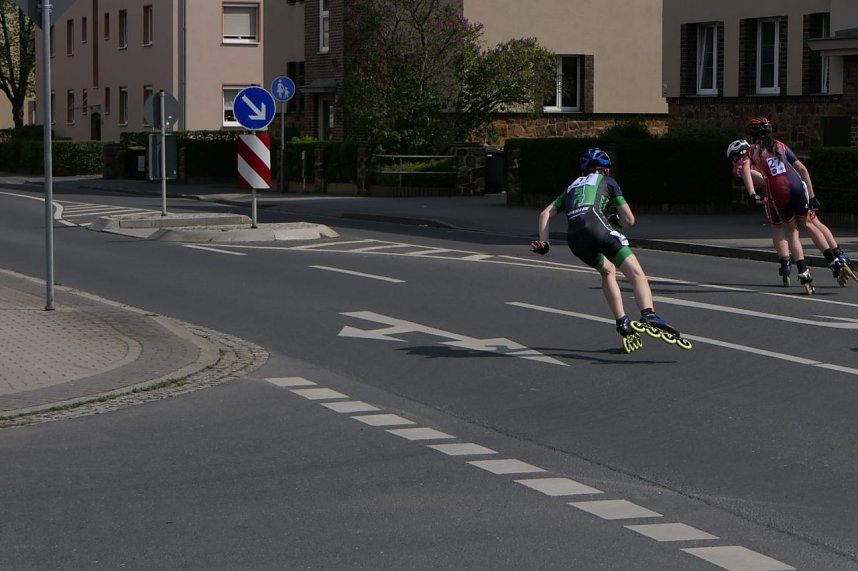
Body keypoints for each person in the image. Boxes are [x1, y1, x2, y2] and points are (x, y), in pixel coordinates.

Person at [530, 148, 689, 352]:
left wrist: (544, 243)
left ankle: (622, 321)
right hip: (598, 230)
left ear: (584, 171)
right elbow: (629, 219)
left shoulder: (570, 188)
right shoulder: (608, 181)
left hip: (575, 241)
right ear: (605, 170)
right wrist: (616, 221)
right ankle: (648, 314)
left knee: (608, 271)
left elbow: (544, 214)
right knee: (636, 274)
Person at [742, 117, 855, 288]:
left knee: (792, 231)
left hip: (779, 191)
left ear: (752, 135)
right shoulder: (780, 145)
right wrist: (812, 196)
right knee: (809, 223)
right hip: (796, 185)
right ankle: (833, 260)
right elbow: (802, 169)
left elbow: (745, 169)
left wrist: (751, 193)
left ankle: (803, 270)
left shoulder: (752, 151)